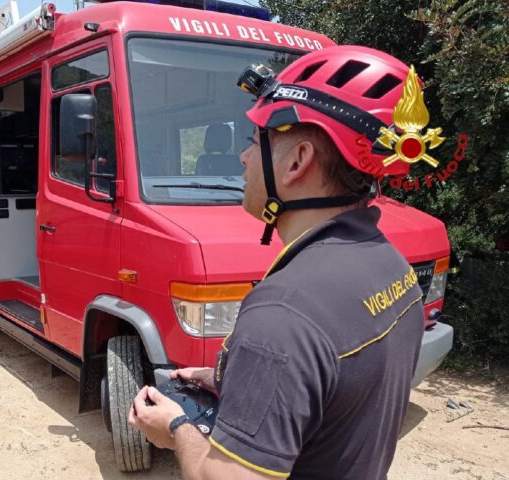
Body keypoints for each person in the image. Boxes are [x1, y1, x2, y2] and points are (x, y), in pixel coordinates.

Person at [129, 45, 428, 479]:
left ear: (298, 161)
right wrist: (236, 383)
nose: (244, 158)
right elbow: (336, 391)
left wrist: (174, 429)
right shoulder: (390, 265)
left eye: (254, 141)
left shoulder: (283, 314)